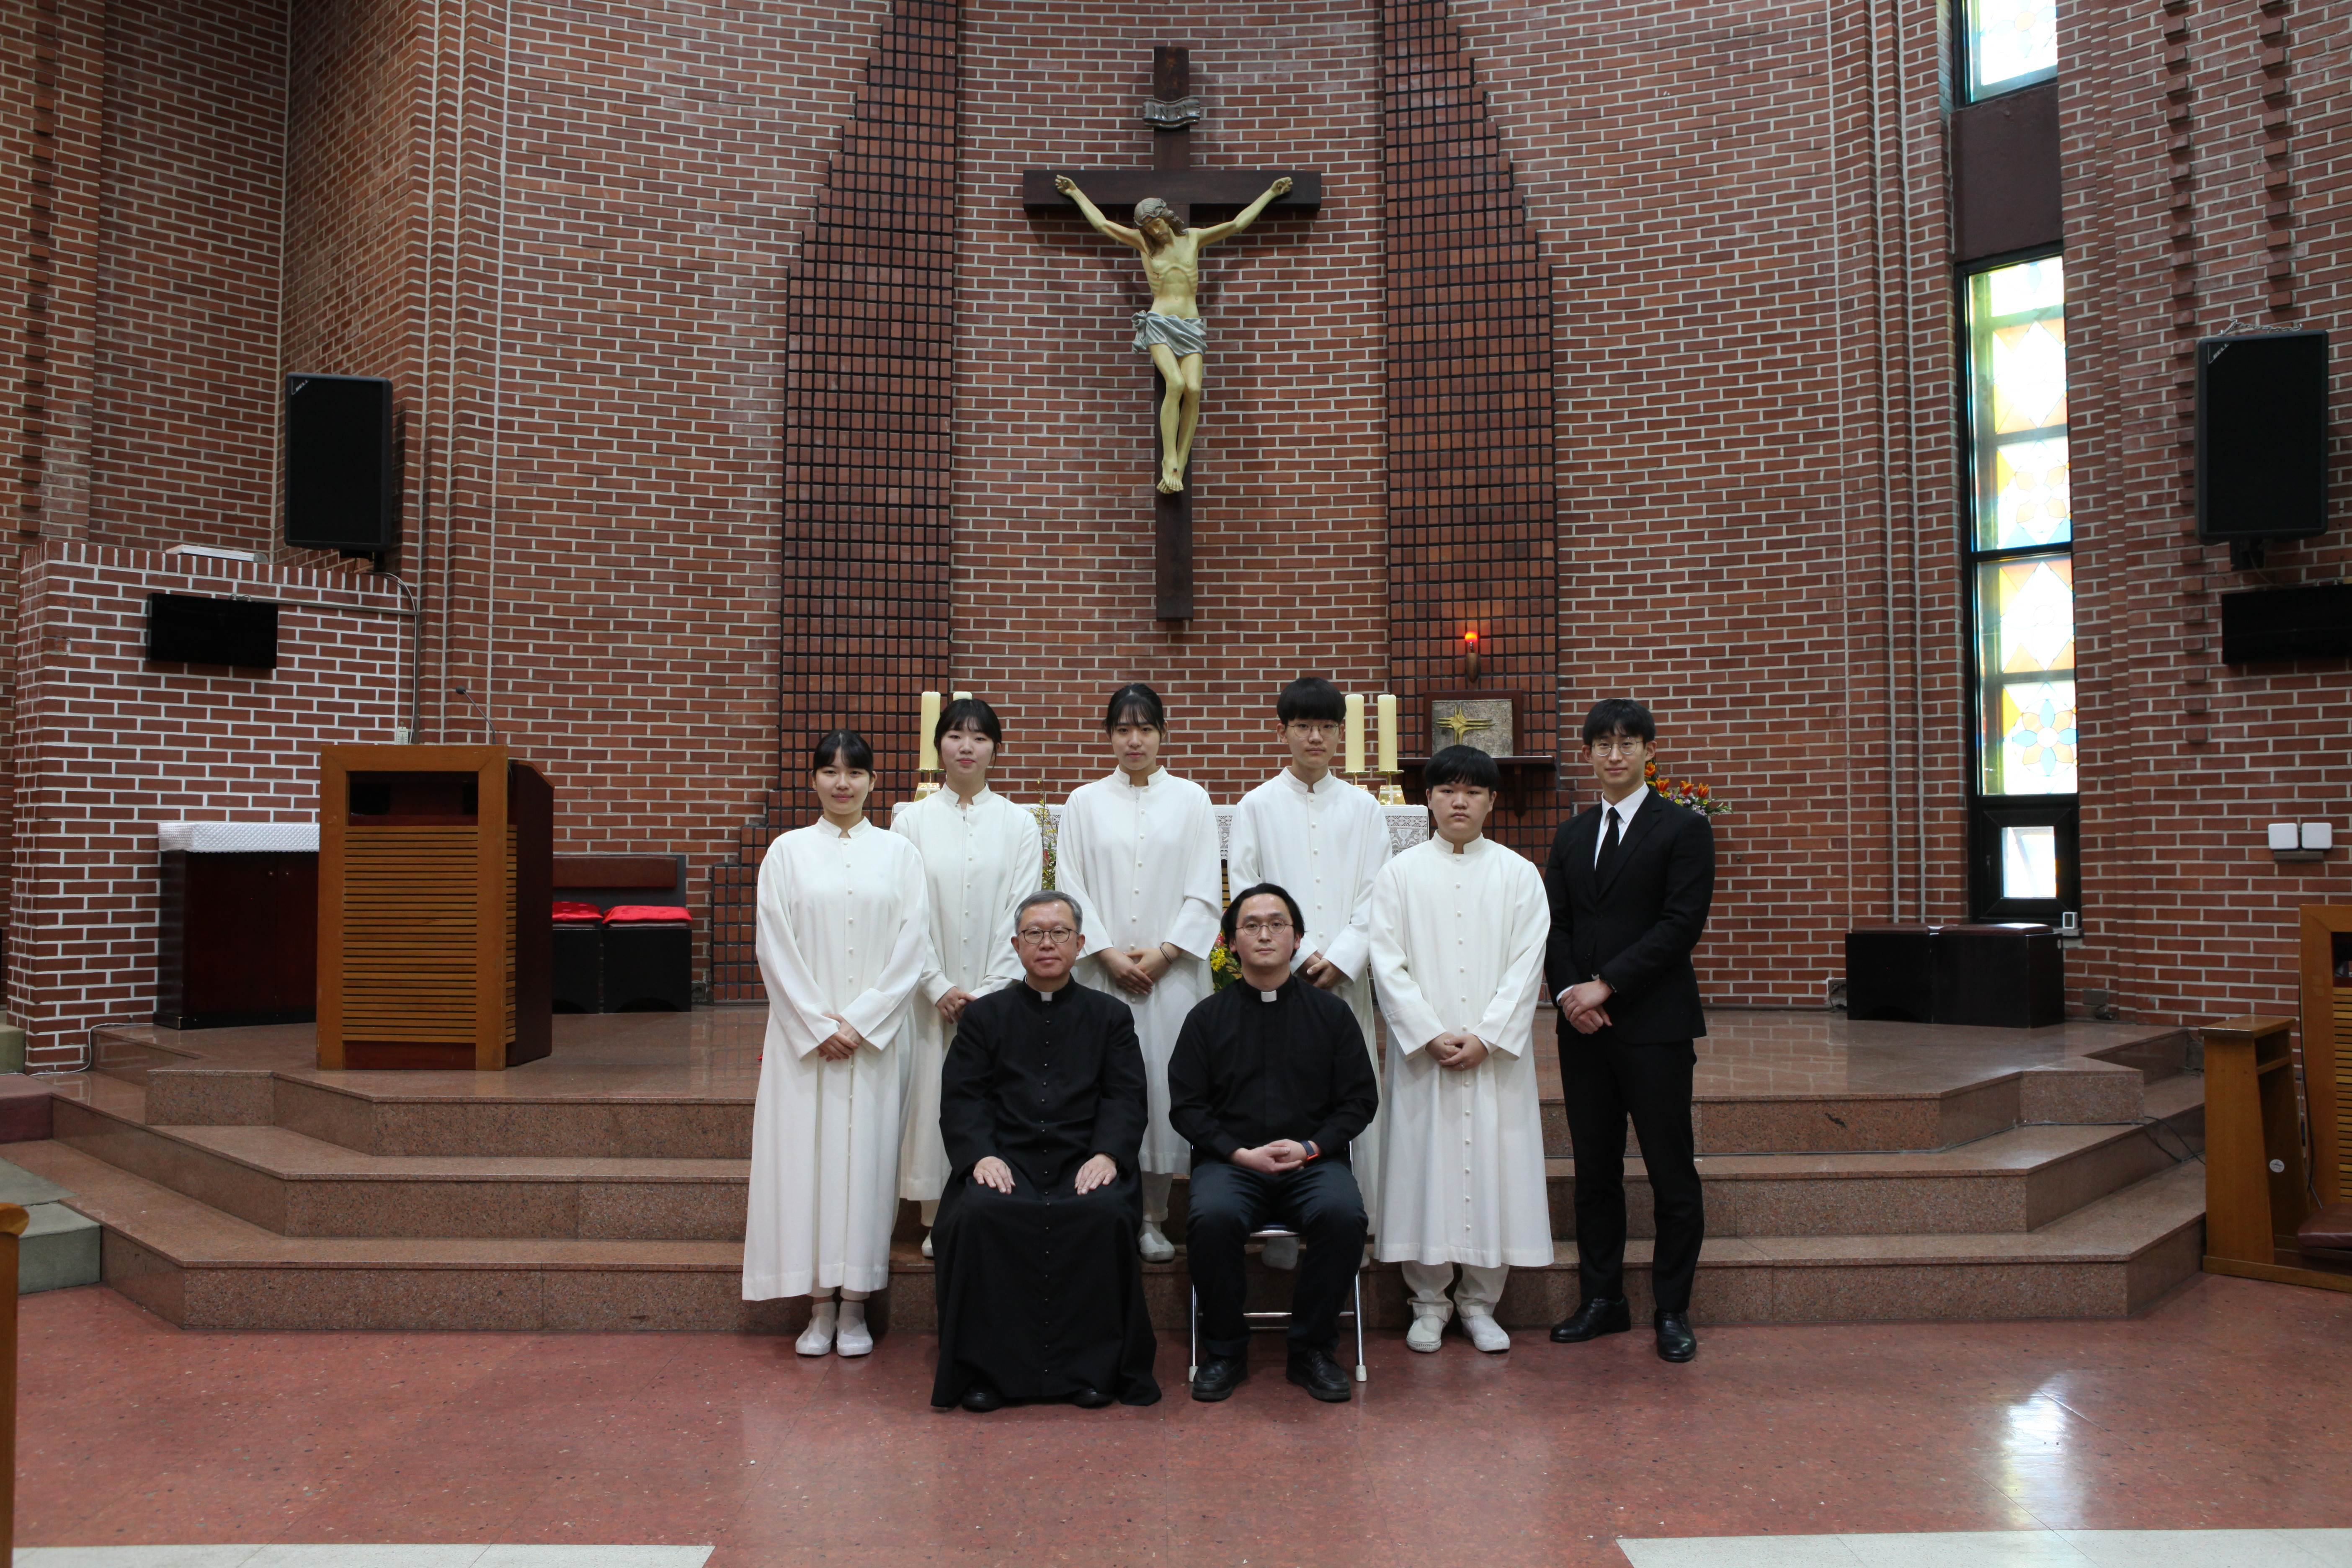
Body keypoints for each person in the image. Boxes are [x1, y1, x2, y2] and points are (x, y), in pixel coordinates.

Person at [743, 730, 931, 1358]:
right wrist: (819, 1025)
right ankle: (818, 1305)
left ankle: (855, 1307)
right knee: (805, 1168)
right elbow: (774, 943)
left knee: (866, 1169)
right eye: (830, 771)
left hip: (873, 1043)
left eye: (854, 772)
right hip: (806, 1042)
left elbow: (912, 945)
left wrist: (862, 1021)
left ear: (873, 782)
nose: (842, 783)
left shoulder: (899, 854)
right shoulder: (787, 853)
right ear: (814, 779)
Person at [931, 891, 1159, 1411]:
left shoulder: (1110, 1016)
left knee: (1102, 1211)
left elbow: (1125, 1096)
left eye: (1059, 933)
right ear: (1016, 946)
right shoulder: (984, 1017)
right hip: (1006, 1159)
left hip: (1085, 1159)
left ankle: (1094, 1372)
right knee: (981, 1212)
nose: (1047, 943)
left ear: (1080, 944)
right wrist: (980, 1156)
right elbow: (963, 1098)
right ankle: (986, 1375)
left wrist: (1108, 1156)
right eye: (1035, 933)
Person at [1542, 699, 1715, 1364]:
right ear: (1588, 753)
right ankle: (1603, 1300)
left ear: (1649, 750)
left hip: (1655, 1024)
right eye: (1603, 744)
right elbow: (1555, 924)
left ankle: (1672, 1309)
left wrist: (1606, 985)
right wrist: (1570, 994)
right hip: (1584, 1029)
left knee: (1671, 1171)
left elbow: (1680, 925)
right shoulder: (1572, 834)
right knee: (1594, 1171)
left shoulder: (1684, 828)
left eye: (1627, 743)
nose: (1614, 755)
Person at [1369, 745, 1552, 1354]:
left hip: (1493, 1059)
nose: (1459, 802)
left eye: (1473, 792)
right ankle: (1427, 1303)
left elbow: (1528, 963)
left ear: (1492, 801)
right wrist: (1427, 1032)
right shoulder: (1400, 874)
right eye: (1448, 790)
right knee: (1424, 1168)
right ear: (1428, 797)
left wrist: (1488, 1035)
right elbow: (1386, 960)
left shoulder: (1518, 875)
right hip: (1426, 1057)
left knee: (1496, 1169)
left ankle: (1479, 1304)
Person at [1169, 883, 1378, 1404]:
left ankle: (1312, 1350)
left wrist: (1311, 1147)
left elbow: (1359, 1101)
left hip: (1313, 1164)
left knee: (1342, 1215)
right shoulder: (1206, 1019)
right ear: (1230, 943)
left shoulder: (1332, 1015)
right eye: (1251, 925)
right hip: (1232, 1164)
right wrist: (1238, 1153)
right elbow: (1187, 1107)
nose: (1265, 934)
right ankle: (1224, 1351)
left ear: (1297, 938)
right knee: (1212, 1218)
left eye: (1277, 924)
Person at [1054, 683, 1222, 1263]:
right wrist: (1104, 952)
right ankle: (1100, 1207)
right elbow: (1071, 884)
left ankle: (1153, 1216)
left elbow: (1206, 887)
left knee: (1162, 1088)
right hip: (1100, 976)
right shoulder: (1084, 803)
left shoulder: (1192, 800)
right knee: (1101, 1087)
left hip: (1170, 979)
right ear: (1108, 736)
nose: (1134, 741)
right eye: (1123, 729)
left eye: (1145, 729)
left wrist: (1166, 954)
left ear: (1162, 734)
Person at [1225, 676, 1393, 1260]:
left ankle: (1356, 1224)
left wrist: (1341, 955)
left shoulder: (1364, 808)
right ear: (1284, 732)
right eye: (1303, 726)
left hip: (1344, 980)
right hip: (1281, 978)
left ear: (1340, 734)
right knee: (1279, 1092)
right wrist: (1298, 951)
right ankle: (1278, 1229)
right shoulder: (1256, 806)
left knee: (1349, 1092)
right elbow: (1246, 891)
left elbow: (1379, 891)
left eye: (1326, 727)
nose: (1315, 737)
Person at [891, 697, 1043, 1259]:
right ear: (939, 746)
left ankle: (990, 1201)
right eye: (956, 736)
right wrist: (937, 985)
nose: (966, 747)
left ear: (995, 750)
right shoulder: (910, 821)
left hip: (995, 993)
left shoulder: (1019, 823)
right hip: (928, 996)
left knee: (993, 1094)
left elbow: (1023, 910)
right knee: (931, 1093)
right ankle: (937, 1214)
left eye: (979, 738)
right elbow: (905, 912)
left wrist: (990, 990)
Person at [1051, 173, 1295, 493]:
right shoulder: (1144, 244)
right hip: (1160, 322)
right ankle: (1169, 460)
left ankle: (1181, 459)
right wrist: (1076, 193)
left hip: (1191, 325)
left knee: (1194, 389)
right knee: (1176, 383)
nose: (1155, 231)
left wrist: (1270, 194)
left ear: (1166, 217)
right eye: (1149, 228)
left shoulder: (1193, 239)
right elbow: (1103, 225)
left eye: (1157, 224)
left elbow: (1237, 224)